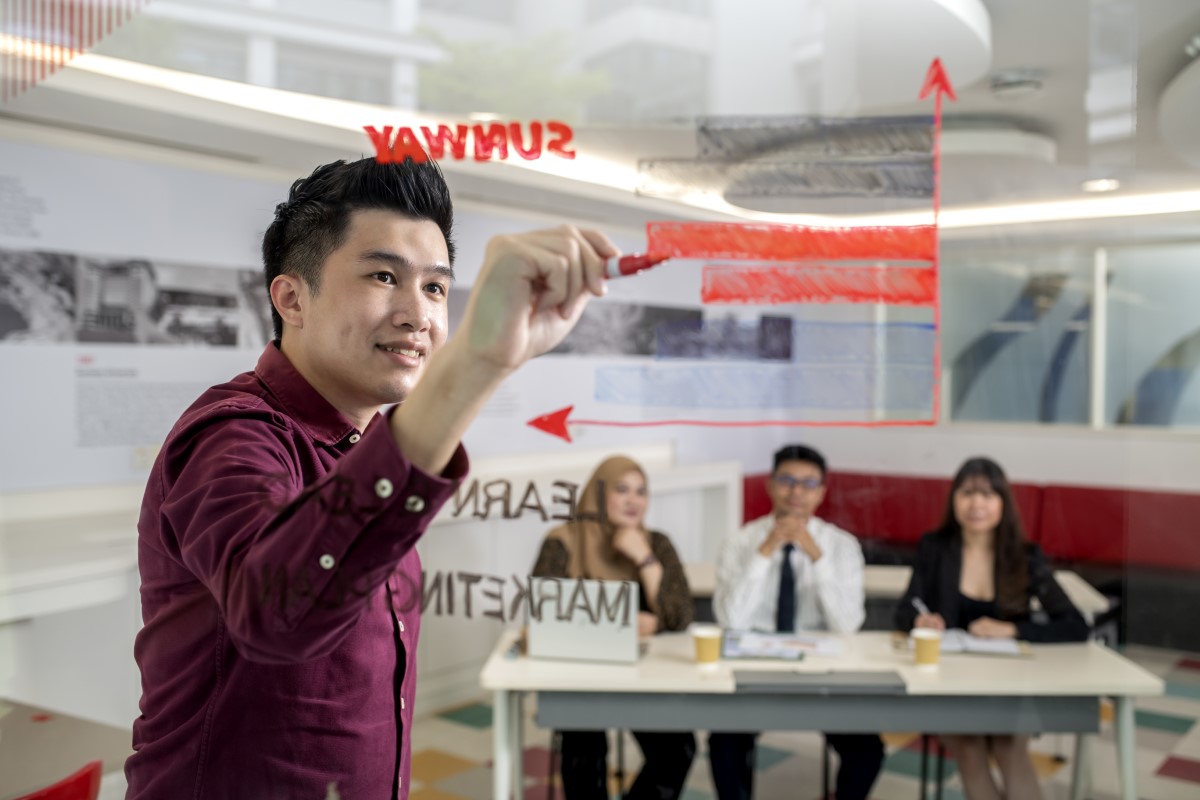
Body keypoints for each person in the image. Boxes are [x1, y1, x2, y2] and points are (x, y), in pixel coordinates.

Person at [125, 156, 619, 799]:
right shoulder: (231, 435)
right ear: (292, 297)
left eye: (437, 288)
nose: (420, 315)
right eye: (384, 276)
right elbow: (277, 613)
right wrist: (474, 361)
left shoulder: (358, 446)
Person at [895, 457, 1090, 800]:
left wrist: (1013, 630)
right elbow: (904, 609)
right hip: (950, 683)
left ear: (1003, 502)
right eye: (967, 493)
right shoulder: (935, 548)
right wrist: (919, 620)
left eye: (987, 494)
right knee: (969, 750)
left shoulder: (1026, 557)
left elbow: (1074, 625)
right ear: (953, 500)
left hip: (1009, 682)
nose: (976, 504)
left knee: (1008, 747)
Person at [710, 444, 884, 800]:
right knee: (724, 745)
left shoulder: (841, 546)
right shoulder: (739, 542)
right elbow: (730, 620)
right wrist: (765, 551)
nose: (797, 492)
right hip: (755, 669)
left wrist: (815, 555)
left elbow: (846, 624)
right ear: (771, 486)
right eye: (787, 481)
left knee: (867, 750)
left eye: (808, 484)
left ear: (821, 492)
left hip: (823, 673)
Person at [532, 455, 696, 799]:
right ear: (597, 493)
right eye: (622, 490)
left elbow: (679, 616)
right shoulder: (562, 541)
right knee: (583, 749)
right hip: (580, 676)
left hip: (645, 677)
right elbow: (544, 617)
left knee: (677, 748)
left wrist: (644, 558)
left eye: (641, 491)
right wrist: (625, 624)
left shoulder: (657, 543)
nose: (634, 500)